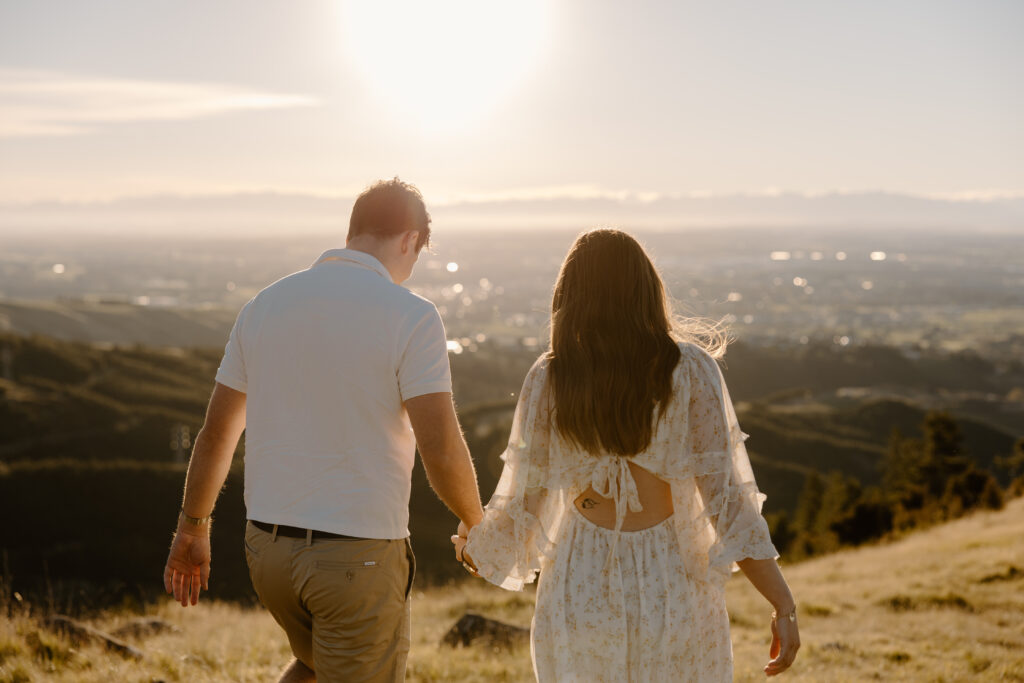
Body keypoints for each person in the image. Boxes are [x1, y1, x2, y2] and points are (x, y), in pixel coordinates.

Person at [163, 178, 485, 683]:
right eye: (417, 253)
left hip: (266, 551)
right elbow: (440, 448)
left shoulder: (263, 306)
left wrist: (192, 529)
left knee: (314, 665)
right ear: (409, 239)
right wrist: (476, 524)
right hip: (356, 560)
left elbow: (216, 434)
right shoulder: (413, 316)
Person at [452, 229, 800, 681]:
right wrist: (783, 605)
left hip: (579, 578)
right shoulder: (692, 370)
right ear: (647, 291)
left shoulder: (550, 376)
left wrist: (473, 545)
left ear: (569, 296)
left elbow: (524, 506)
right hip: (672, 578)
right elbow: (727, 501)